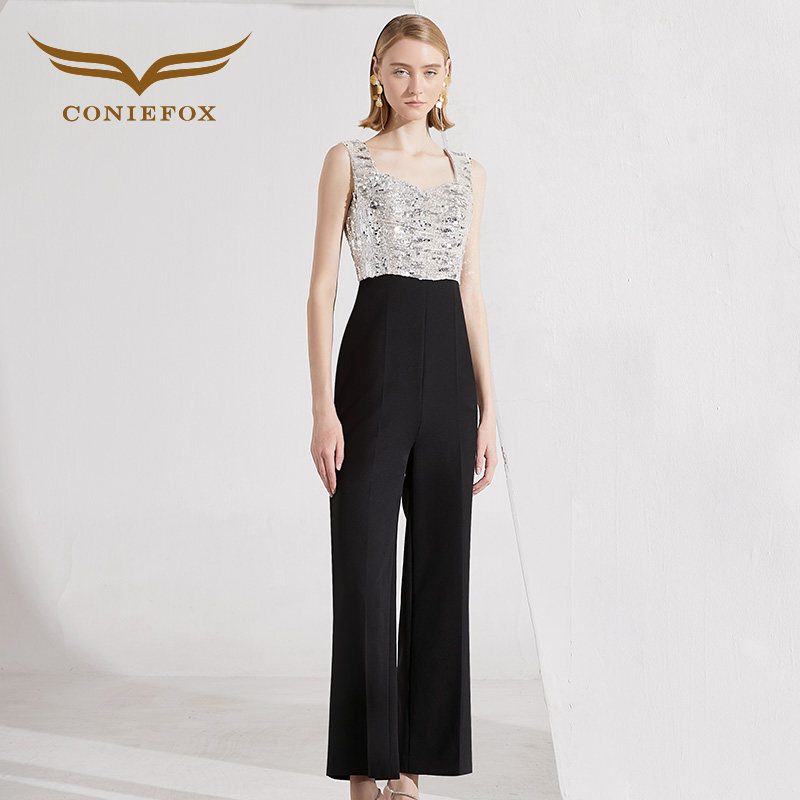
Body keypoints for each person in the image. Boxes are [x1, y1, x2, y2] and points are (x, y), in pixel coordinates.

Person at [307, 14, 497, 800]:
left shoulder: (469, 171)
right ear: (377, 75)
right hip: (373, 369)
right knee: (362, 568)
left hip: (450, 375)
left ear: (447, 76)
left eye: (429, 70)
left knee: (441, 573)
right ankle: (365, 770)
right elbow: (322, 288)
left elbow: (471, 288)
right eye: (399, 70)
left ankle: (411, 771)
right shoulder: (347, 159)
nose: (415, 85)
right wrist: (323, 408)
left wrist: (490, 412)